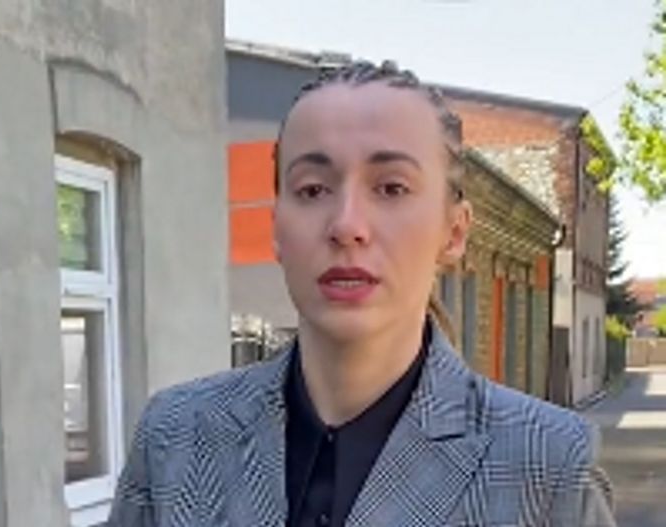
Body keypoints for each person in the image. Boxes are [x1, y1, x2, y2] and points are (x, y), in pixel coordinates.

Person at [107, 60, 615, 526]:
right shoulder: (175, 436)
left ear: (454, 232)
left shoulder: (548, 465)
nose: (346, 225)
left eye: (391, 188)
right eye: (312, 189)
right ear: (277, 228)